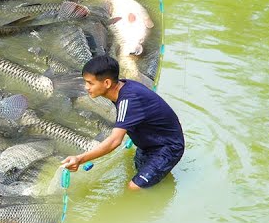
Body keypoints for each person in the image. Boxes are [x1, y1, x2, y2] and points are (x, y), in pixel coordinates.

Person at [61, 55, 184, 189]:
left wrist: (79, 159)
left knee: (134, 187)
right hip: (150, 142)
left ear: (107, 83)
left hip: (168, 147)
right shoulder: (123, 87)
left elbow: (114, 141)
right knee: (140, 173)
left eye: (90, 83)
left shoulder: (129, 100)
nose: (86, 87)